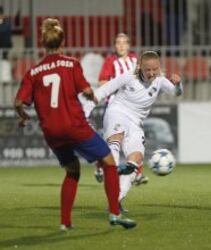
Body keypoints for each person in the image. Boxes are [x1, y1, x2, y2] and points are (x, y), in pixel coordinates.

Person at [14, 18, 136, 231]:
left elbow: (18, 103)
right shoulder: (71, 63)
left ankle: (65, 222)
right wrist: (91, 96)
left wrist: (23, 117)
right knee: (109, 161)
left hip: (51, 132)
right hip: (73, 125)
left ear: (43, 43)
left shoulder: (33, 72)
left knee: (72, 170)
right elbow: (87, 90)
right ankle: (115, 214)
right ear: (62, 42)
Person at [83, 50, 183, 212]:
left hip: (136, 123)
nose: (151, 73)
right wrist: (85, 111)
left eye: (154, 69)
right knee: (114, 143)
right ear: (139, 68)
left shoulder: (160, 81)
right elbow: (103, 91)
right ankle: (109, 168)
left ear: (159, 68)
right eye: (147, 70)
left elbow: (176, 93)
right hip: (117, 112)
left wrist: (178, 84)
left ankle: (116, 201)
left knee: (135, 161)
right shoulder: (128, 77)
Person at [95, 33, 150, 187]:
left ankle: (136, 173)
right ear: (114, 45)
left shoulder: (136, 60)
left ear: (129, 45)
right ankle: (103, 167)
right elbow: (101, 82)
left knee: (135, 139)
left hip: (132, 108)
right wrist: (119, 83)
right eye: (118, 43)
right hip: (114, 106)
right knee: (113, 142)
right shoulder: (110, 61)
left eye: (124, 42)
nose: (121, 46)